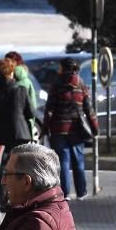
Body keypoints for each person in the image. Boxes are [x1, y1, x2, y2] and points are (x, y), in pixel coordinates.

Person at [43, 57, 99, 200]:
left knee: (63, 162)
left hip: (58, 129)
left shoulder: (56, 85)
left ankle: (65, 193)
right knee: (78, 161)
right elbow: (89, 109)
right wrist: (95, 127)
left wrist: (45, 127)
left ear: (63, 68)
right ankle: (81, 192)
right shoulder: (81, 84)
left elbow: (49, 109)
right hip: (77, 128)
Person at [0, 58, 34, 209]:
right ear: (12, 71)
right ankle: (22, 199)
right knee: (21, 166)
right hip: (19, 134)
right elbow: (30, 113)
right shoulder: (20, 89)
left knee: (2, 167)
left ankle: (5, 200)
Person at [6, 51, 38, 141]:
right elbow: (32, 107)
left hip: (14, 127)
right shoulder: (26, 81)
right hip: (24, 128)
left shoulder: (14, 82)